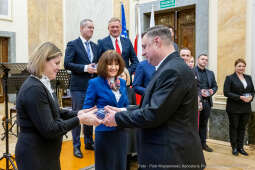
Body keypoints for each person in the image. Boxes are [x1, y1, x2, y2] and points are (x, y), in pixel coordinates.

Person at [103, 26, 206, 170]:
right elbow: (154, 106)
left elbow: (153, 114)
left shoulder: (172, 70)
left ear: (157, 42)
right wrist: (122, 109)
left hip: (171, 157)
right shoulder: (170, 67)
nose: (143, 53)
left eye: (145, 47)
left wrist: (117, 118)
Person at [15, 42, 101, 170]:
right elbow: (50, 129)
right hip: (35, 155)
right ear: (43, 61)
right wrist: (80, 120)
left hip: (45, 153)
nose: (58, 68)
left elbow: (56, 111)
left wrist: (79, 113)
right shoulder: (34, 89)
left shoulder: (43, 83)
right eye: (56, 63)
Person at [83, 50, 129, 170]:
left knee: (120, 166)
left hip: (121, 132)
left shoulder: (123, 83)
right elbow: (87, 109)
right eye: (110, 64)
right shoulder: (95, 83)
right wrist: (105, 115)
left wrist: (120, 112)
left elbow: (127, 106)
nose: (114, 67)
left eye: (116, 64)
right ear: (104, 65)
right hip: (104, 133)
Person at [64, 19, 99, 158]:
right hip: (78, 87)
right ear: (81, 28)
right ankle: (76, 146)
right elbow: (67, 64)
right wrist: (85, 68)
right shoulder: (73, 44)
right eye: (89, 27)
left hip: (92, 87)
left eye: (93, 28)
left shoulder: (95, 46)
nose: (91, 30)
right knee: (78, 116)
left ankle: (89, 142)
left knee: (90, 114)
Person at [223, 58, 254, 156]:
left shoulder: (248, 77)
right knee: (234, 127)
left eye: (243, 66)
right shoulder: (230, 78)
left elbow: (253, 91)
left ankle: (241, 147)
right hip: (234, 107)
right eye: (239, 66)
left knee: (242, 128)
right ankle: (234, 147)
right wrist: (240, 97)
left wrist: (251, 97)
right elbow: (226, 92)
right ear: (235, 67)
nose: (241, 68)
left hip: (246, 107)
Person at [194, 54, 218, 152]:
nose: (204, 61)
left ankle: (203, 144)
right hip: (195, 102)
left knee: (204, 124)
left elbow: (215, 86)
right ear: (197, 60)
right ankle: (194, 145)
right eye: (202, 59)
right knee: (195, 124)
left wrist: (212, 91)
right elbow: (191, 86)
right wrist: (200, 92)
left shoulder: (210, 73)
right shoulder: (192, 71)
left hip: (207, 102)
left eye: (206, 60)